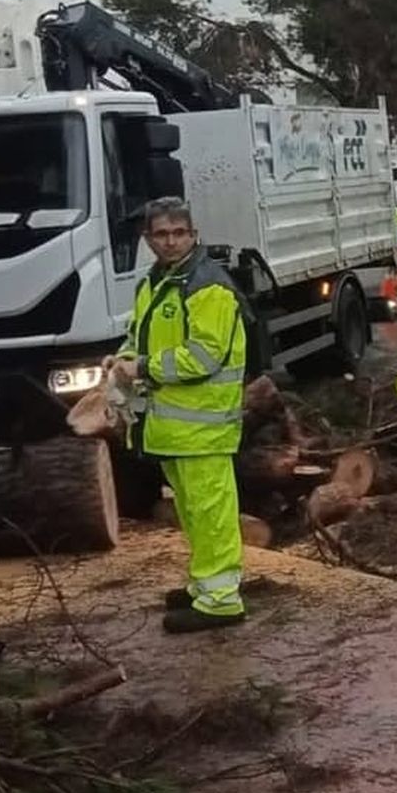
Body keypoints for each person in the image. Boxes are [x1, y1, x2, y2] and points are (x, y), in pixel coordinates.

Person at [104, 197, 249, 635]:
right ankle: (206, 585)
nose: (170, 241)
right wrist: (124, 359)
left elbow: (204, 357)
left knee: (211, 513)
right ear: (148, 239)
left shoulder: (206, 286)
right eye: (162, 234)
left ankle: (221, 600)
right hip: (177, 428)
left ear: (193, 235)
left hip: (204, 426)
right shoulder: (157, 282)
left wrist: (142, 367)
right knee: (194, 512)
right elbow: (140, 335)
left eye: (179, 233)